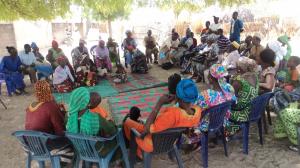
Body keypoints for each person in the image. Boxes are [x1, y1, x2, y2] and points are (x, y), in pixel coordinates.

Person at [124, 79, 201, 158]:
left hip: (153, 144)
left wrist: (159, 103)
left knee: (127, 122)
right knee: (140, 122)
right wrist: (176, 98)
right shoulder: (197, 112)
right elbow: (183, 106)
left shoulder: (172, 115)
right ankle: (138, 151)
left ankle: (138, 152)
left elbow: (146, 129)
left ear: (178, 97)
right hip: (172, 141)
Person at [25, 80, 73, 164]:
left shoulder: (30, 107)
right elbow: (60, 130)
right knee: (72, 142)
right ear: (48, 90)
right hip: (45, 143)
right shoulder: (50, 106)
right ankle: (62, 162)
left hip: (31, 144)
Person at [66, 87, 118, 156]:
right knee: (116, 138)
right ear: (87, 102)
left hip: (79, 150)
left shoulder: (68, 117)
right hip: (96, 151)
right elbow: (112, 130)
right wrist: (110, 121)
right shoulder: (95, 118)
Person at [196, 64, 236, 135]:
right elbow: (234, 101)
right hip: (224, 122)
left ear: (211, 79)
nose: (207, 76)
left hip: (208, 126)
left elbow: (198, 111)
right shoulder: (229, 88)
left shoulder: (206, 95)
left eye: (208, 75)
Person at [272, 56, 300, 152]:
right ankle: (283, 133)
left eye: (290, 61)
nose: (288, 62)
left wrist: (285, 86)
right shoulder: (290, 70)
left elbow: (294, 84)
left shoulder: (295, 72)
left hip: (294, 91)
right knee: (283, 109)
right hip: (294, 93)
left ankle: (296, 143)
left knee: (284, 111)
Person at [226, 57, 259, 135]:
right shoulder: (255, 76)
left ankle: (225, 131)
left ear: (239, 68)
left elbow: (230, 96)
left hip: (242, 112)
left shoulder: (239, 80)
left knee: (219, 109)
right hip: (253, 109)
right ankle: (233, 128)